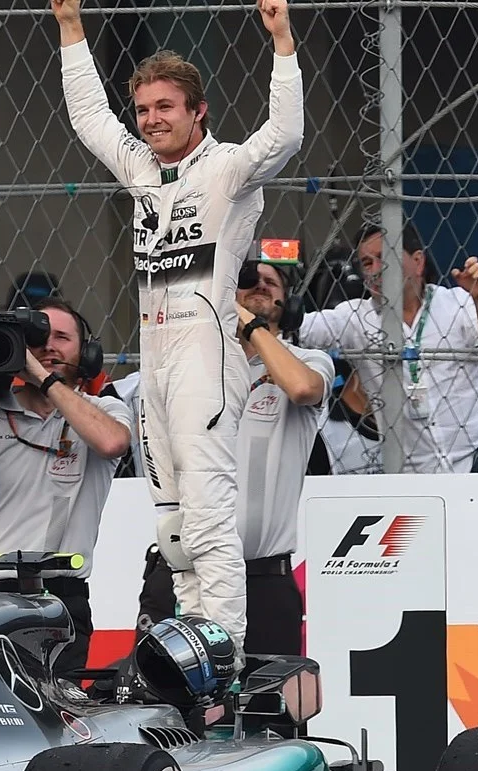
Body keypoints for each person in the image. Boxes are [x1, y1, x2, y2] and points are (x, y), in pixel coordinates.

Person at [53, 0, 304, 662]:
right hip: (157, 359)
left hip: (206, 354)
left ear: (199, 112)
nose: (150, 120)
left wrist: (281, 42)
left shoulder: (227, 169)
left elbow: (284, 135)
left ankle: (222, 663)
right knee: (172, 527)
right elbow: (89, 121)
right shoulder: (141, 169)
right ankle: (194, 652)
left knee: (209, 514)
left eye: (165, 107)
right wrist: (72, 29)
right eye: (143, 110)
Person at [133, 257, 332, 656]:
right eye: (245, 281)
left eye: (270, 282)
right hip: (182, 569)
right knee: (167, 708)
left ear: (288, 304)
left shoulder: (309, 361)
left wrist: (247, 322)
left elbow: (303, 389)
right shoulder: (183, 366)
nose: (258, 285)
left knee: (272, 712)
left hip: (264, 578)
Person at [0, 294, 132, 675]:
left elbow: (112, 443)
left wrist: (41, 374)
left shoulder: (105, 410)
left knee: (57, 726)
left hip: (61, 597)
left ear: (86, 352)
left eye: (61, 338)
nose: (48, 347)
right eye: (37, 338)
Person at [295, 221, 478, 473]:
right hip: (413, 476)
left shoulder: (455, 301)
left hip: (477, 459)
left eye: (385, 258)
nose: (376, 270)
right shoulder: (356, 317)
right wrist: (269, 312)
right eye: (367, 263)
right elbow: (300, 330)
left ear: (418, 261)